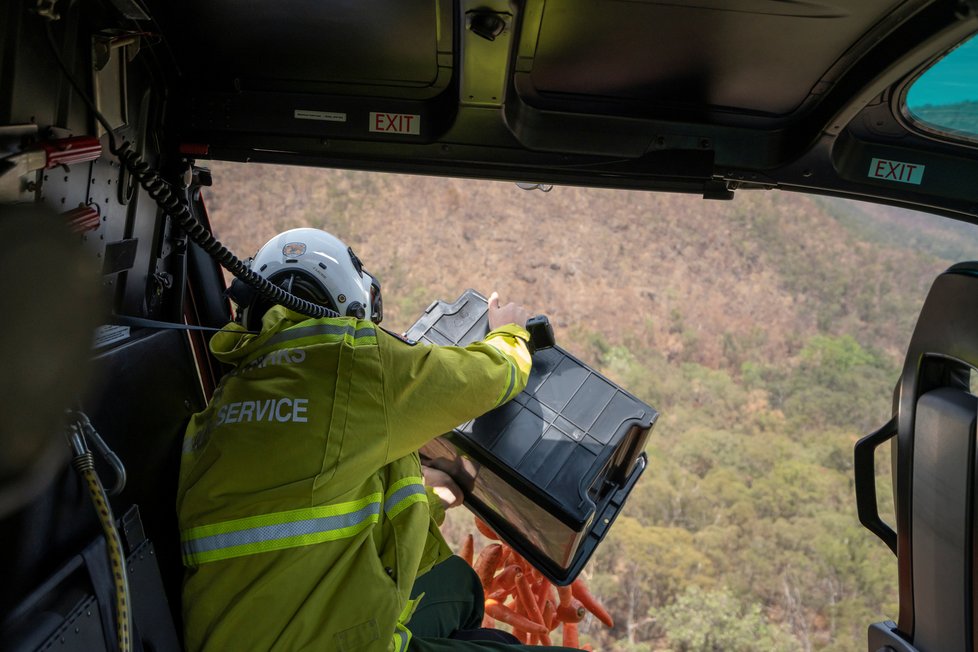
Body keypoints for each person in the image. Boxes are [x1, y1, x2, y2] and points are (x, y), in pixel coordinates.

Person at [177, 228, 580, 651]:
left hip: (236, 632)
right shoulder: (347, 363)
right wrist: (511, 334)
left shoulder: (222, 405)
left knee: (458, 584)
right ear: (350, 303)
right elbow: (490, 377)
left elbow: (310, 505)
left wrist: (429, 498)